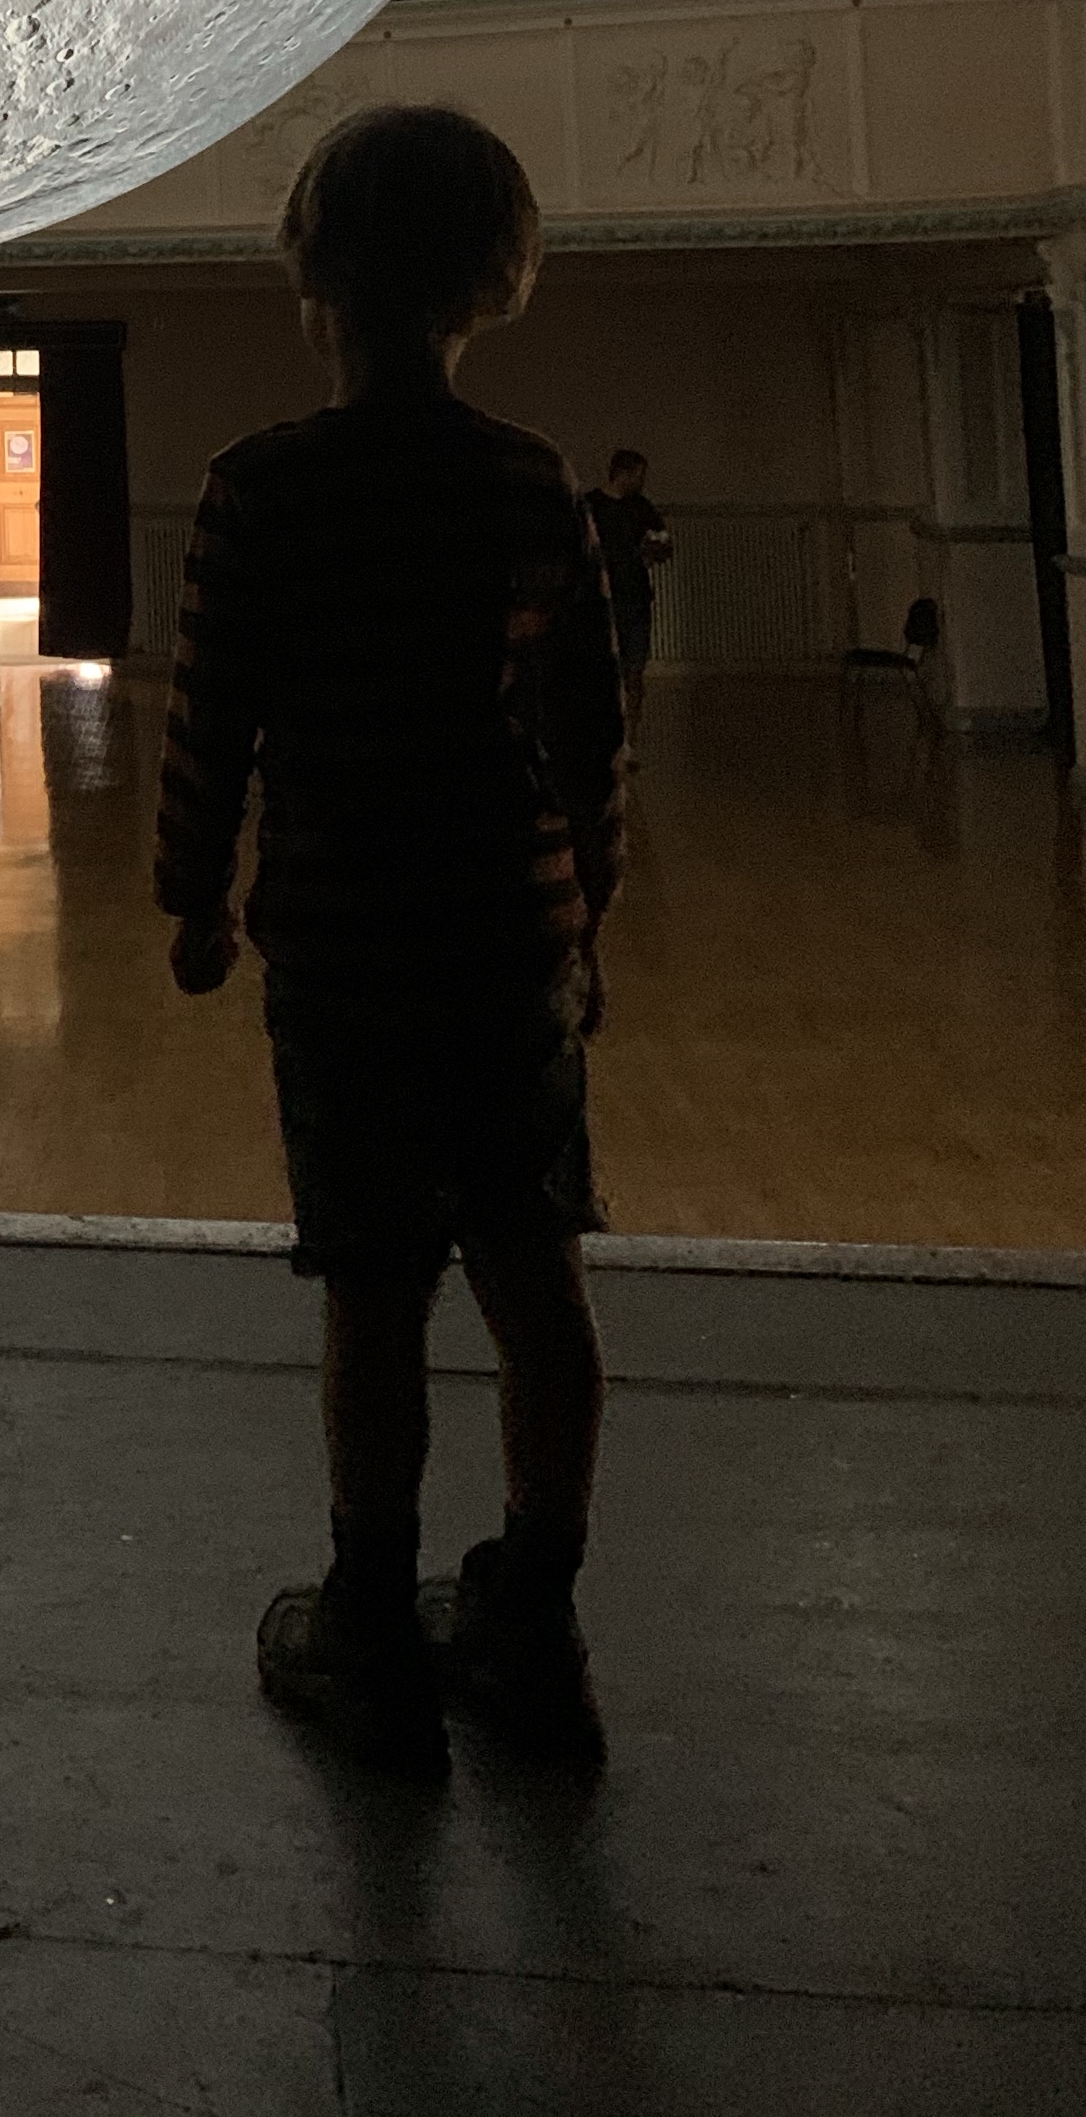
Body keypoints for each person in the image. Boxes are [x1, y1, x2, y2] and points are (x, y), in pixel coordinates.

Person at [155, 104, 628, 1780]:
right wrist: (588, 910)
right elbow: (587, 731)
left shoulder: (260, 488)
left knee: (370, 1287)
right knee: (534, 1274)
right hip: (507, 937)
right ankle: (532, 1613)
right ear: (492, 277)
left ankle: (368, 1615)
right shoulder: (526, 479)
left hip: (344, 947)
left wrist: (191, 899)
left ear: (313, 276)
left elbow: (211, 723)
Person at [585, 449, 672, 731]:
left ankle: (629, 732)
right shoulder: (591, 506)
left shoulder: (641, 507)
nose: (642, 481)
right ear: (624, 473)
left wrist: (655, 549)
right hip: (604, 601)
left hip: (635, 599)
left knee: (634, 671)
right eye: (639, 475)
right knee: (604, 672)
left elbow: (664, 543)